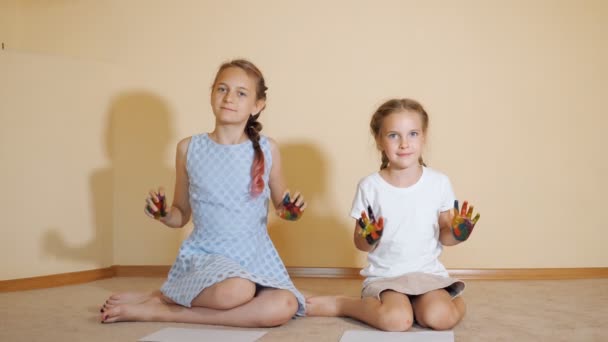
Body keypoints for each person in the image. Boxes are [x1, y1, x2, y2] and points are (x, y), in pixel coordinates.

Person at [100, 59, 308, 327]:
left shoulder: (268, 149)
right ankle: (161, 303)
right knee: (239, 290)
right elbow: (181, 215)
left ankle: (163, 303)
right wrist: (163, 214)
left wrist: (293, 211)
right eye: (222, 89)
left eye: (241, 93)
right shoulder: (189, 149)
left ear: (257, 106)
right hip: (208, 257)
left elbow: (284, 208)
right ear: (212, 94)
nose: (229, 98)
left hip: (256, 256)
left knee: (285, 305)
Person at [306, 98, 480, 331]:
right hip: (386, 278)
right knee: (397, 321)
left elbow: (445, 236)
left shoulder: (439, 182)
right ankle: (343, 304)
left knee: (440, 318)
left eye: (413, 134)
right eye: (393, 135)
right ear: (379, 140)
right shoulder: (370, 186)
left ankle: (444, 302)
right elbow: (360, 243)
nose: (404, 143)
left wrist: (459, 233)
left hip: (427, 275)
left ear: (424, 136)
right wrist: (370, 238)